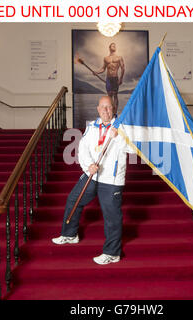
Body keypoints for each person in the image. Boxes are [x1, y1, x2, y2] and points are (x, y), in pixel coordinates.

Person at [51, 96, 135, 265]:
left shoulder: (122, 127)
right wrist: (89, 165)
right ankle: (70, 234)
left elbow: (132, 148)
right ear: (98, 109)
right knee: (74, 199)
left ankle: (112, 253)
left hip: (111, 179)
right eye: (103, 107)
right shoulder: (92, 126)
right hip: (93, 174)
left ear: (114, 108)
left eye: (109, 107)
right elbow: (83, 148)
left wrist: (117, 136)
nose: (106, 110)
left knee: (111, 216)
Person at [93, 43, 125, 115]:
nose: (114, 47)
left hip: (115, 78)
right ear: (109, 48)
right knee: (109, 96)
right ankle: (110, 113)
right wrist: (97, 72)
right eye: (112, 46)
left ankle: (115, 113)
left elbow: (123, 68)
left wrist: (121, 78)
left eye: (115, 46)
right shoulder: (106, 58)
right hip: (108, 78)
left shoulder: (119, 57)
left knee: (115, 95)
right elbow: (103, 69)